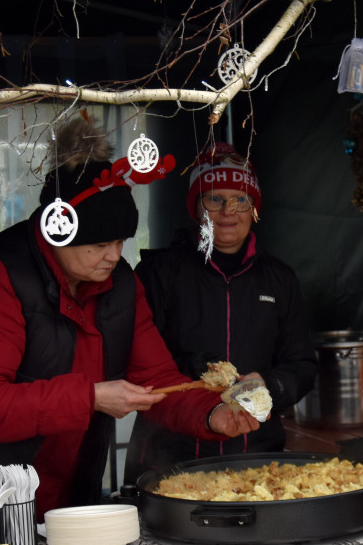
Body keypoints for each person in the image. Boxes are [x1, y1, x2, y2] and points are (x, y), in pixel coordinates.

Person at [0, 118, 259, 544]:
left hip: (52, 501)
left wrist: (212, 414)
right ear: (57, 232)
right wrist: (91, 397)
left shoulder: (121, 285)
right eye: (98, 244)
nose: (113, 256)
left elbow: (156, 380)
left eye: (121, 241)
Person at [124, 142, 316, 482]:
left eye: (241, 199)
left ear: (254, 207)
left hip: (257, 456)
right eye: (214, 199)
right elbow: (136, 362)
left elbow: (301, 366)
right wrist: (195, 366)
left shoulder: (279, 278)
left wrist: (269, 385)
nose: (228, 211)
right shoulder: (159, 272)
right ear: (195, 207)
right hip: (168, 456)